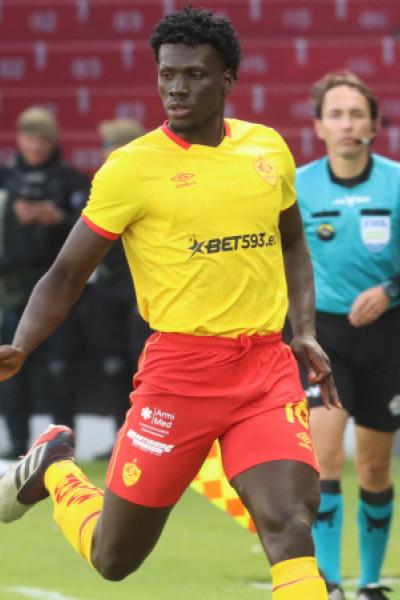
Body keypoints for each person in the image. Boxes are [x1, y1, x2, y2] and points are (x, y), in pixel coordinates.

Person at [0, 8, 339, 598]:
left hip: (263, 368)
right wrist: (23, 344)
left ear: (229, 79)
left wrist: (303, 329)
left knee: (290, 524)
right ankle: (53, 465)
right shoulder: (131, 170)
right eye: (167, 75)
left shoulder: (268, 150)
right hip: (179, 374)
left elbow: (291, 241)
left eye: (195, 75)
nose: (177, 88)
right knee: (114, 558)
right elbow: (66, 273)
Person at [296, 71, 400, 600]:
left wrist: (390, 288)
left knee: (377, 467)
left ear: (375, 125)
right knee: (326, 460)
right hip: (324, 339)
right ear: (318, 126)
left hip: (390, 340)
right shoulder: (298, 185)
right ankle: (330, 583)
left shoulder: (397, 182)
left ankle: (371, 584)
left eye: (357, 114)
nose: (346, 123)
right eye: (335, 114)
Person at [0, 108, 89, 458]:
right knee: (10, 370)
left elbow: (92, 230)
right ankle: (15, 448)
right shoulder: (5, 180)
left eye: (42, 138)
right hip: (11, 288)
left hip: (59, 289)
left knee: (60, 369)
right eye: (29, 137)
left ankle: (62, 446)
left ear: (52, 142)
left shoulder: (71, 181)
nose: (35, 144)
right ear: (19, 139)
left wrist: (58, 217)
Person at [92, 118, 152, 459]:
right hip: (107, 292)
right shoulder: (101, 187)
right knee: (114, 368)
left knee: (143, 370)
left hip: (142, 294)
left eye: (112, 146)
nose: (105, 153)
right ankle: (122, 439)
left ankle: (147, 442)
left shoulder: (151, 189)